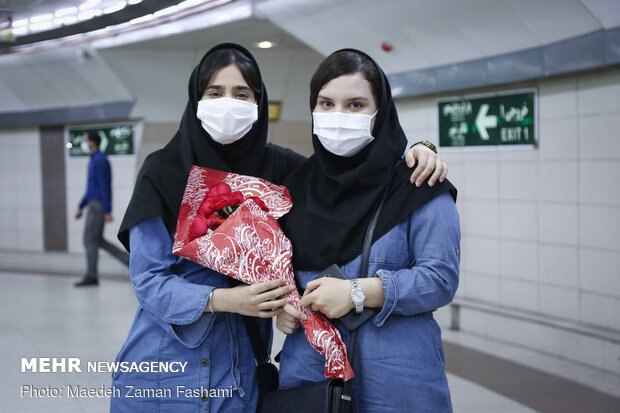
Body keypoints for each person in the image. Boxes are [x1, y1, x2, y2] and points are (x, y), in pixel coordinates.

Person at [111, 43, 447, 412]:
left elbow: (347, 179)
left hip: (240, 373)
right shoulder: (163, 173)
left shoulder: (283, 171)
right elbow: (148, 280)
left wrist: (418, 151)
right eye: (214, 92)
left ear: (258, 103)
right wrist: (226, 300)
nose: (228, 103)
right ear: (196, 99)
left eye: (241, 94)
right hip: (167, 365)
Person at [276, 49, 460, 413]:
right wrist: (285, 308)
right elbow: (284, 274)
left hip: (396, 384)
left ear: (380, 112)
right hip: (310, 379)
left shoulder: (417, 183)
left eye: (356, 105)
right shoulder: (295, 188)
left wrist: (360, 291)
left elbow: (440, 278)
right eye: (326, 104)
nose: (338, 116)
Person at [74, 131, 129, 287]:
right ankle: (129, 261)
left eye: (85, 140)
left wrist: (107, 210)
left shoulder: (100, 160)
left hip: (97, 206)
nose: (83, 143)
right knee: (97, 241)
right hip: (92, 203)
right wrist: (80, 206)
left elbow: (104, 186)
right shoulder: (93, 160)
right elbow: (91, 187)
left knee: (90, 241)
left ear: (93, 142)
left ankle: (92, 276)